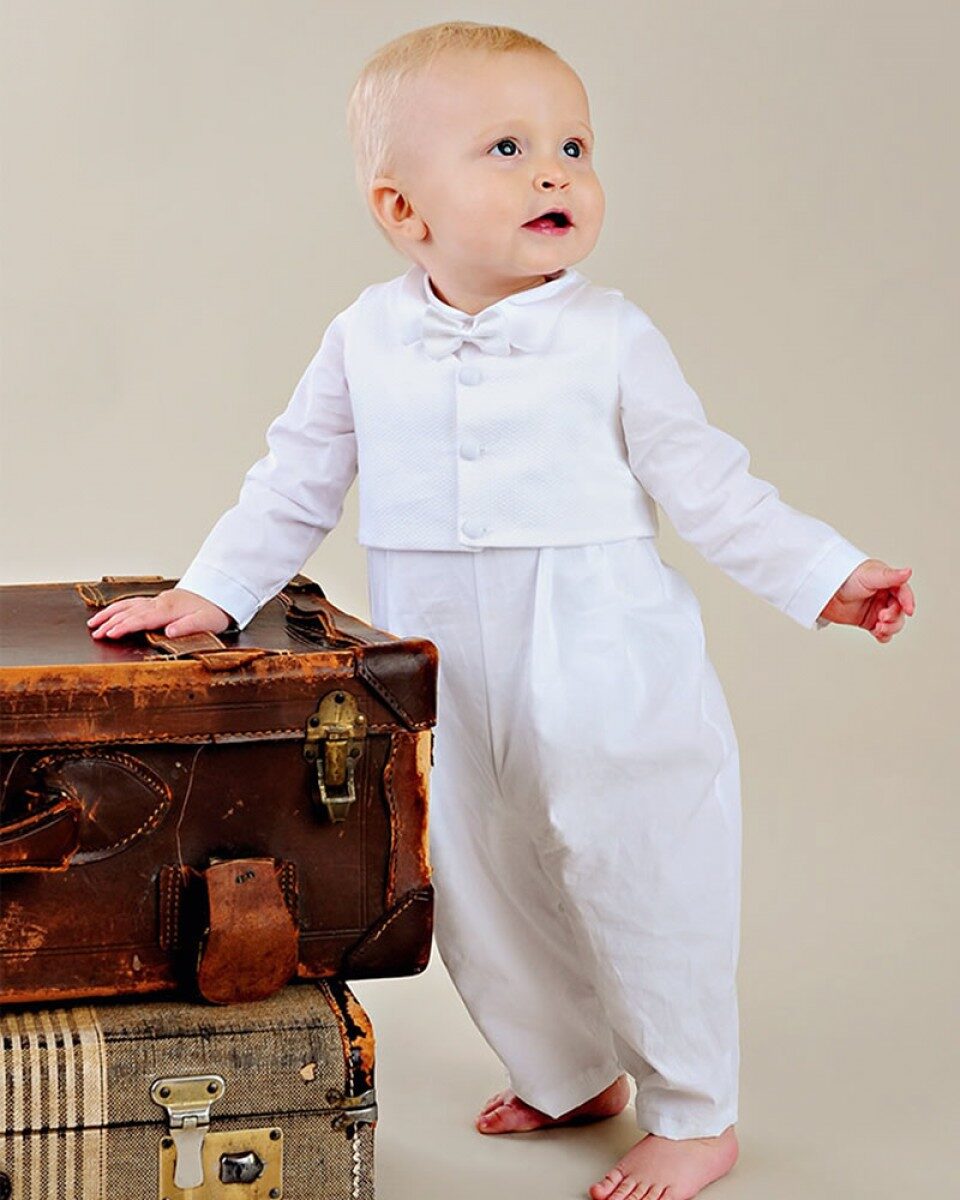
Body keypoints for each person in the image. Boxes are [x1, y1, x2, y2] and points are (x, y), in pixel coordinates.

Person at [87, 21, 915, 1200]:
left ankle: (695, 1109)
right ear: (403, 209)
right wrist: (211, 592)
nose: (555, 173)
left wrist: (825, 574)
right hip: (442, 661)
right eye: (509, 148)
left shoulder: (612, 337)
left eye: (574, 146)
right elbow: (295, 480)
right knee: (470, 871)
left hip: (601, 647)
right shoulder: (364, 336)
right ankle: (567, 1069)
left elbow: (711, 484)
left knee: (637, 863)